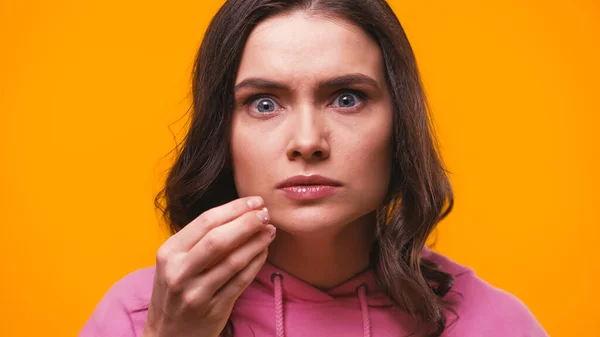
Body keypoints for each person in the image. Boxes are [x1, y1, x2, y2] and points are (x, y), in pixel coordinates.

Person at [79, 0, 548, 336]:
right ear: (222, 134)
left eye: (347, 98)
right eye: (264, 103)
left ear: (399, 124)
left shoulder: (492, 323)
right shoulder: (138, 317)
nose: (307, 142)